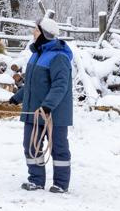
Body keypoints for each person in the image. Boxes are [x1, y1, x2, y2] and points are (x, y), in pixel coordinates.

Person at [9, 15, 74, 193]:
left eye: (36, 30)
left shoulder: (59, 57)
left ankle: (61, 184)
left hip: (54, 113)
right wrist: (17, 97)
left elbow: (60, 86)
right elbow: (32, 85)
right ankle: (36, 180)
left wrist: (47, 106)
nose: (33, 32)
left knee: (58, 149)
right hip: (34, 112)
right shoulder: (36, 55)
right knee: (31, 146)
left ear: (44, 33)